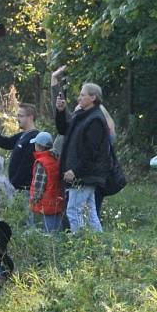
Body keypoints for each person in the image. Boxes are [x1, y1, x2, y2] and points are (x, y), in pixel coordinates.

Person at [55, 83, 110, 232]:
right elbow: (63, 129)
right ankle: (98, 247)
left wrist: (75, 171)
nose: (79, 98)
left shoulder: (96, 120)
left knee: (74, 211)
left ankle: (80, 248)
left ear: (93, 97)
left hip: (85, 175)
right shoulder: (82, 115)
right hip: (82, 174)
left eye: (82, 95)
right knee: (90, 214)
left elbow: (91, 152)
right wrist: (60, 111)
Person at [0, 103, 40, 224]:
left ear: (30, 117)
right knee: (17, 220)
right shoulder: (22, 135)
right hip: (15, 188)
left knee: (26, 221)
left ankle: (30, 241)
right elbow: (3, 142)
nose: (18, 119)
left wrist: (14, 184)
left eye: (21, 116)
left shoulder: (35, 137)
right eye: (17, 116)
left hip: (24, 189)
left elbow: (27, 165)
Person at [28, 131, 65, 233]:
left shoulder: (41, 162)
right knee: (57, 230)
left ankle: (52, 249)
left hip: (47, 203)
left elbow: (39, 185)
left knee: (49, 233)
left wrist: (33, 199)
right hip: (57, 201)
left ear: (39, 146)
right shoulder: (55, 158)